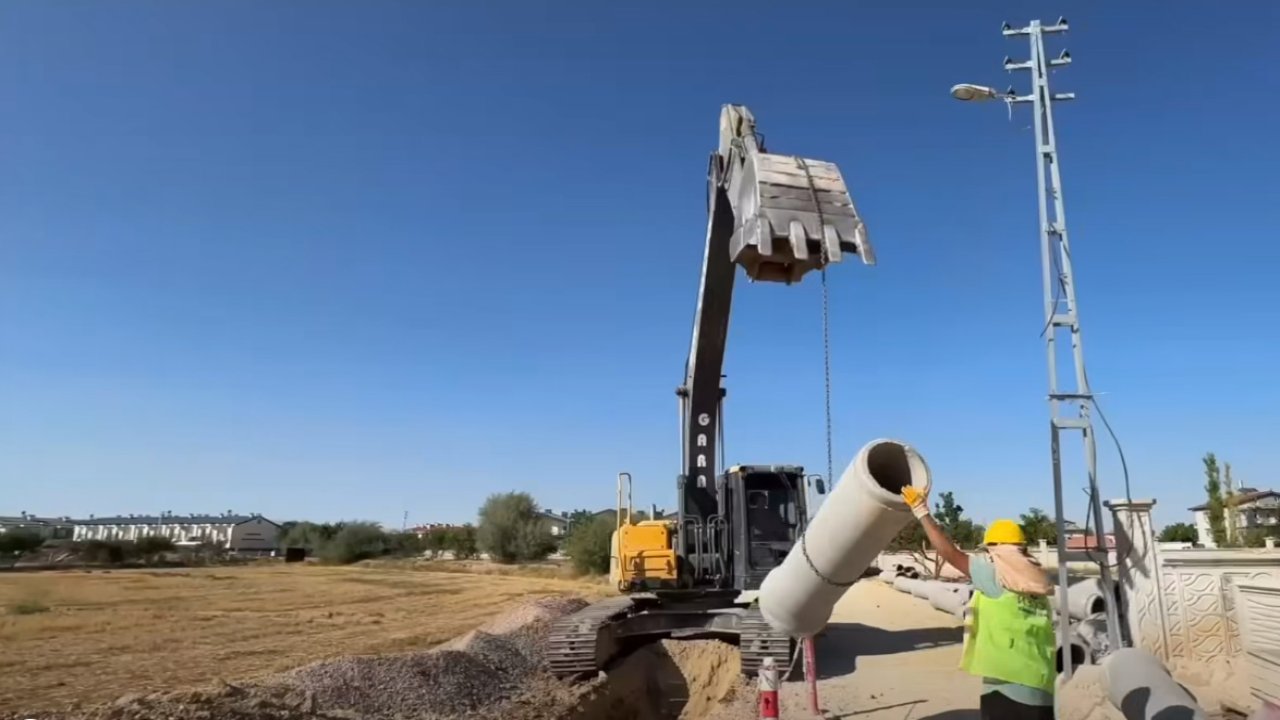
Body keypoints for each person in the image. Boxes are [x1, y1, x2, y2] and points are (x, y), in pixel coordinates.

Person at [901, 485, 1056, 720]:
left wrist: (921, 510)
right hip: (1040, 683)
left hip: (1005, 686)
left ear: (996, 549)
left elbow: (949, 552)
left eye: (989, 551)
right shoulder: (1038, 581)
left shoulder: (996, 578)